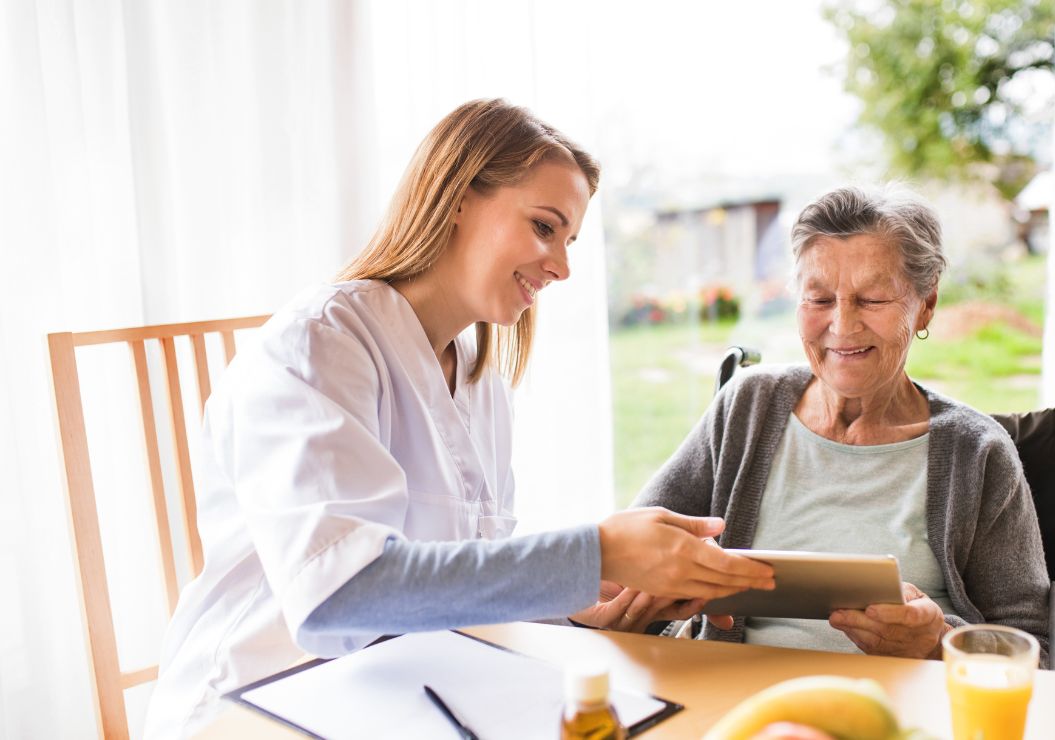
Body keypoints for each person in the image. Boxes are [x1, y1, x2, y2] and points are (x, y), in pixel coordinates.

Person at [145, 99, 773, 737]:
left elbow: (461, 583)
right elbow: (340, 599)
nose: (561, 266)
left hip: (396, 701)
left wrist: (586, 607)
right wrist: (595, 550)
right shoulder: (322, 343)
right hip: (258, 709)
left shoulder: (479, 378)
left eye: (569, 240)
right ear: (457, 198)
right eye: (543, 227)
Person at [627, 184, 1050, 660]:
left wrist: (938, 643)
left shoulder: (979, 452)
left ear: (925, 305)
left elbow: (1035, 645)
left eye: (871, 299)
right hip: (738, 702)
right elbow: (631, 555)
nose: (843, 326)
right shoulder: (747, 405)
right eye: (820, 299)